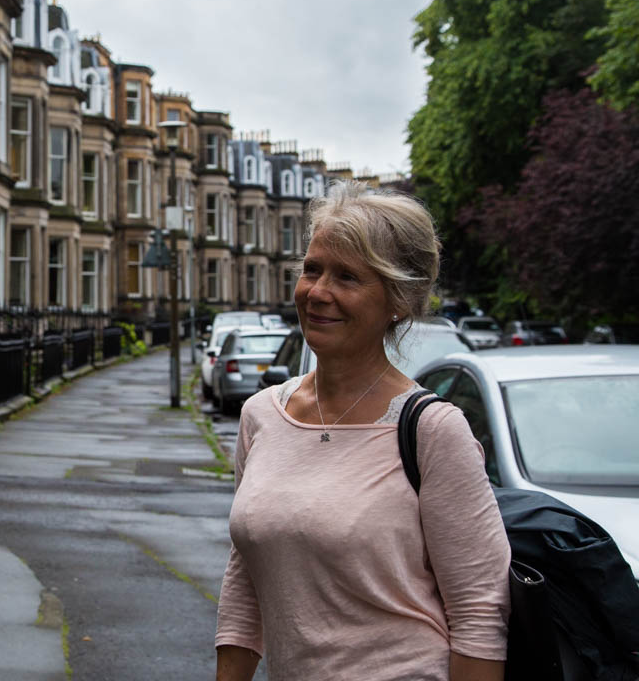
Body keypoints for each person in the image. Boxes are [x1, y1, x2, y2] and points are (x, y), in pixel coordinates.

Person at [215, 182, 510, 681]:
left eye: (347, 277)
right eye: (312, 269)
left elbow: (480, 615)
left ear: (398, 299)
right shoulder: (262, 415)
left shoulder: (433, 431)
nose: (318, 292)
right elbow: (247, 578)